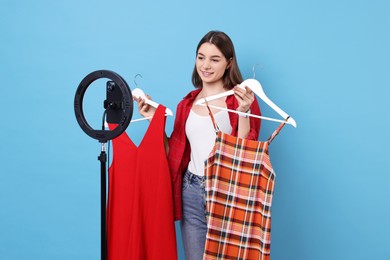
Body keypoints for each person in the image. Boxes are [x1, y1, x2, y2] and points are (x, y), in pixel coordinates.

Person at [135, 30, 261, 260]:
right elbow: (173, 154)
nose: (206, 65)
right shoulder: (187, 104)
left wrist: (244, 113)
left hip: (225, 192)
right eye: (201, 57)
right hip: (191, 191)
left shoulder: (241, 101)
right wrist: (154, 124)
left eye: (215, 59)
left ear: (229, 63)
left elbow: (246, 154)